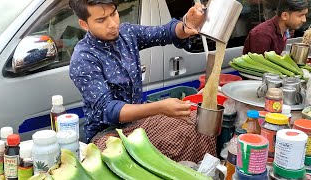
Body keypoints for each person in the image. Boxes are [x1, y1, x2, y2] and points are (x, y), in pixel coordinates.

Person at [68, 0, 216, 162]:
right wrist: (160, 108)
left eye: (114, 14)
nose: (112, 24)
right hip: (106, 134)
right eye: (101, 20)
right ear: (84, 24)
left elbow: (164, 32)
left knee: (197, 123)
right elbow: (109, 110)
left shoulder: (127, 33)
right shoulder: (84, 58)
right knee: (143, 159)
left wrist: (185, 26)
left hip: (139, 123)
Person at [243, 0, 308, 55]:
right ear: (284, 15)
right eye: (300, 15)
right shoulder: (262, 34)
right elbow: (259, 66)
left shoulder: (284, 30)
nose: (304, 20)